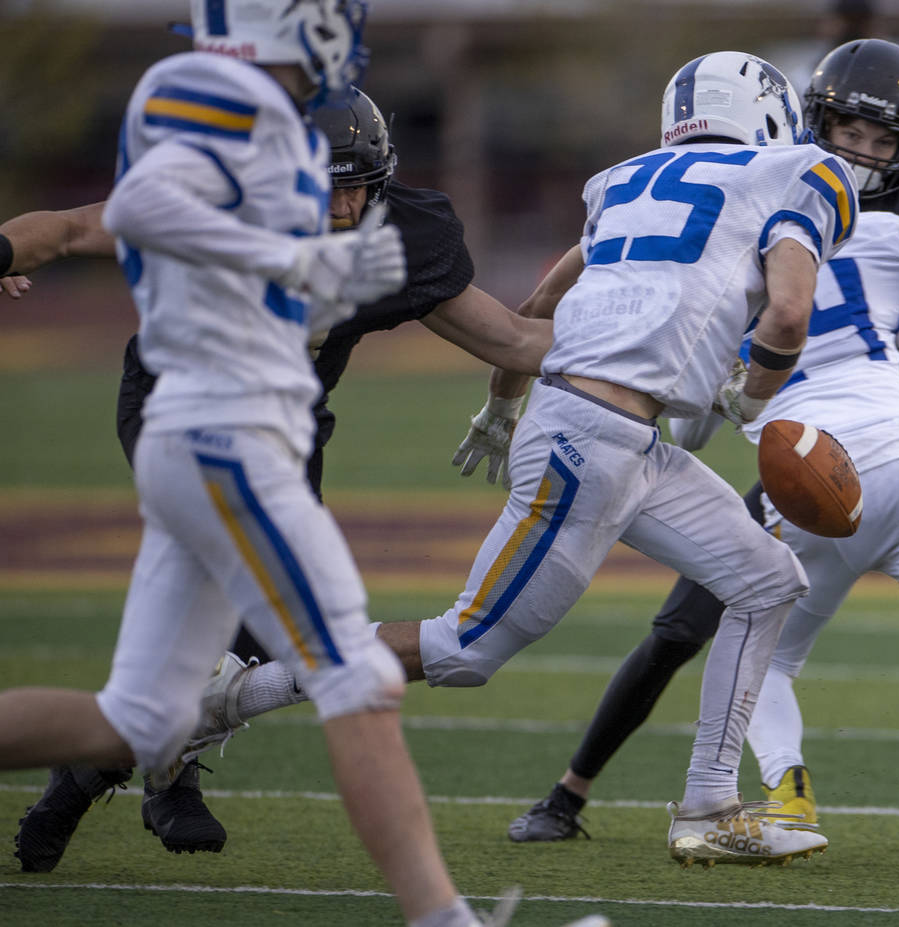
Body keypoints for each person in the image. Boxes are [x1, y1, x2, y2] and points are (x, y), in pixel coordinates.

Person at [123, 48, 861, 868]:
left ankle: (709, 804)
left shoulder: (622, 181)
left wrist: (502, 405)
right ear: (768, 115)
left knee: (767, 579)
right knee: (466, 648)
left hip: (610, 431)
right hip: (592, 439)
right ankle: (224, 699)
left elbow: (539, 305)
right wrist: (755, 397)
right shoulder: (806, 170)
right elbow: (788, 315)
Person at [0, 7, 566, 922]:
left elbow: (507, 335)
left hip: (270, 429)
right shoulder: (217, 176)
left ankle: (106, 775)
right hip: (204, 422)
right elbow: (72, 229)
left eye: (357, 188)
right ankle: (445, 917)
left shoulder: (388, 219)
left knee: (144, 713)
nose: (343, 206)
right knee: (354, 672)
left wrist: (646, 349)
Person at [505, 38, 899, 868]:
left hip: (840, 424)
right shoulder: (817, 208)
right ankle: (571, 788)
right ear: (808, 120)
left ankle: (791, 786)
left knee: (854, 648)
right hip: (880, 445)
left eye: (882, 139)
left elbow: (763, 320)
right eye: (848, 131)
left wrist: (699, 407)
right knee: (690, 623)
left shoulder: (894, 214)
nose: (863, 153)